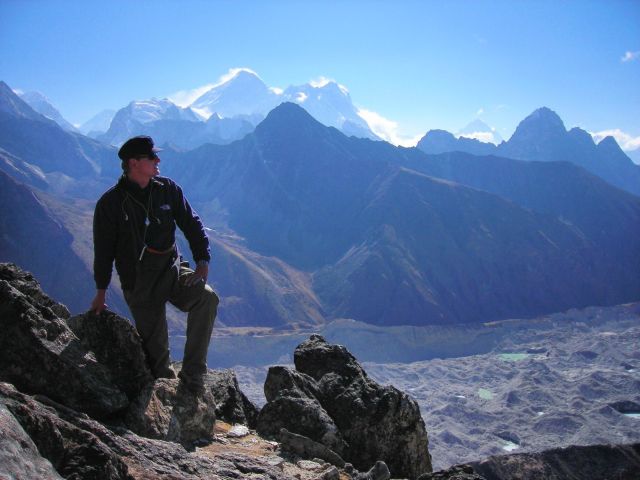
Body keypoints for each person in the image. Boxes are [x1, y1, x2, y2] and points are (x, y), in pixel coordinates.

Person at [90, 135, 218, 394]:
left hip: (172, 268)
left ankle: (193, 376)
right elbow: (103, 251)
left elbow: (191, 224)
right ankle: (166, 405)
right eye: (151, 157)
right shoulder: (111, 204)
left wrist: (202, 261)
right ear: (134, 163)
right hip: (139, 283)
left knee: (207, 299)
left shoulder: (167, 188)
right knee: (158, 365)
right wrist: (101, 291)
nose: (158, 160)